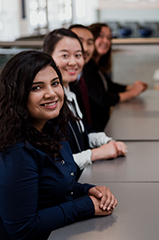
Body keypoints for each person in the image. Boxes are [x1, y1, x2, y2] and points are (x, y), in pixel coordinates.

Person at [0, 50, 117, 239]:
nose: (51, 93)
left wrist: (87, 190)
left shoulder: (51, 129)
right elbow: (23, 228)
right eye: (37, 88)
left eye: (55, 83)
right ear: (17, 95)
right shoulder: (14, 152)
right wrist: (86, 205)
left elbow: (54, 186)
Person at [43, 28, 127, 178]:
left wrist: (107, 142)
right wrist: (94, 154)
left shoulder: (70, 93)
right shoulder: (48, 104)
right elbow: (54, 166)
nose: (73, 62)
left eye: (78, 55)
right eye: (64, 55)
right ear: (48, 57)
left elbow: (83, 131)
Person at [81, 23, 148, 131]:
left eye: (109, 38)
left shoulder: (96, 66)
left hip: (104, 126)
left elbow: (109, 85)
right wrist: (132, 93)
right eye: (101, 36)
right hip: (95, 131)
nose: (106, 41)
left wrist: (131, 87)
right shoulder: (86, 67)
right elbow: (103, 98)